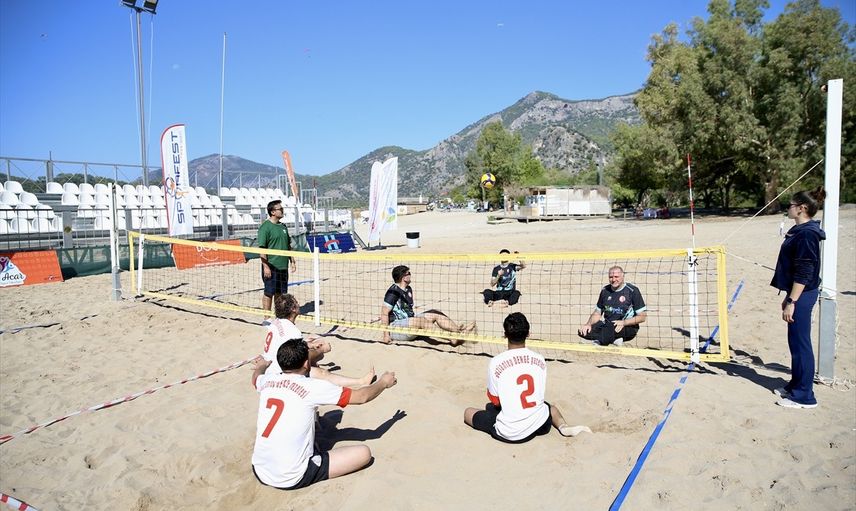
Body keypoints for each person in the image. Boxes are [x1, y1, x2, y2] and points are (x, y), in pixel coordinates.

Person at [251, 339, 397, 490]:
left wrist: (262, 366)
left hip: (259, 468)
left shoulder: (266, 381)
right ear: (306, 364)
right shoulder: (313, 387)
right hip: (292, 476)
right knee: (364, 453)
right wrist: (383, 383)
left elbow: (255, 377)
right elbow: (362, 397)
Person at [464, 312, 590, 442]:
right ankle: (563, 427)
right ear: (528, 334)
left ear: (505, 334)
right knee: (549, 407)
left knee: (469, 412)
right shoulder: (540, 359)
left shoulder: (496, 362)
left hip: (510, 432)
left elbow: (495, 401)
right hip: (540, 424)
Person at [770, 187, 826, 409]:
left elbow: (804, 272)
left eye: (791, 205)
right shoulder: (800, 230)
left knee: (801, 344)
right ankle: (796, 385)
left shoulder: (807, 234)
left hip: (803, 294)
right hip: (796, 292)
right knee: (795, 341)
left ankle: (804, 396)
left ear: (802, 208)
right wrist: (788, 296)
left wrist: (792, 301)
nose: (788, 208)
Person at [263, 293, 374, 387]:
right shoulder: (292, 331)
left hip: (270, 368)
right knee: (322, 371)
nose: (299, 304)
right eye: (296, 302)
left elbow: (286, 344)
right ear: (293, 309)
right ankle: (361, 382)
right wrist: (322, 349)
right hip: (281, 373)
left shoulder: (275, 323)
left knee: (314, 350)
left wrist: (309, 343)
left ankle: (315, 367)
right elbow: (301, 355)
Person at [380, 265, 476, 346]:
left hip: (409, 322)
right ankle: (452, 338)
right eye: (409, 273)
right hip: (396, 328)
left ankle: (458, 332)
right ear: (404, 277)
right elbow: (384, 313)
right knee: (420, 320)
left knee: (434, 312)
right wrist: (386, 335)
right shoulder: (393, 292)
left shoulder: (408, 289)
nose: (410, 275)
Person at [577, 266, 647, 346]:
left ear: (623, 276)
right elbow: (598, 312)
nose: (613, 280)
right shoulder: (605, 290)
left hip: (627, 327)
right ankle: (614, 339)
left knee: (609, 328)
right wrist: (588, 324)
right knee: (583, 331)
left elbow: (642, 317)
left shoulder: (632, 291)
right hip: (607, 324)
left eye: (616, 277)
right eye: (611, 277)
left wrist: (623, 322)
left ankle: (600, 340)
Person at [259, 200, 297, 324]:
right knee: (268, 292)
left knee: (280, 293)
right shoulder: (265, 227)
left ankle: (278, 317)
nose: (282, 210)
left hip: (283, 266)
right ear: (273, 212)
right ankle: (266, 319)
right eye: (280, 209)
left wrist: (292, 261)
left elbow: (288, 246)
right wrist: (265, 266)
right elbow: (262, 249)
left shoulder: (283, 226)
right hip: (271, 265)